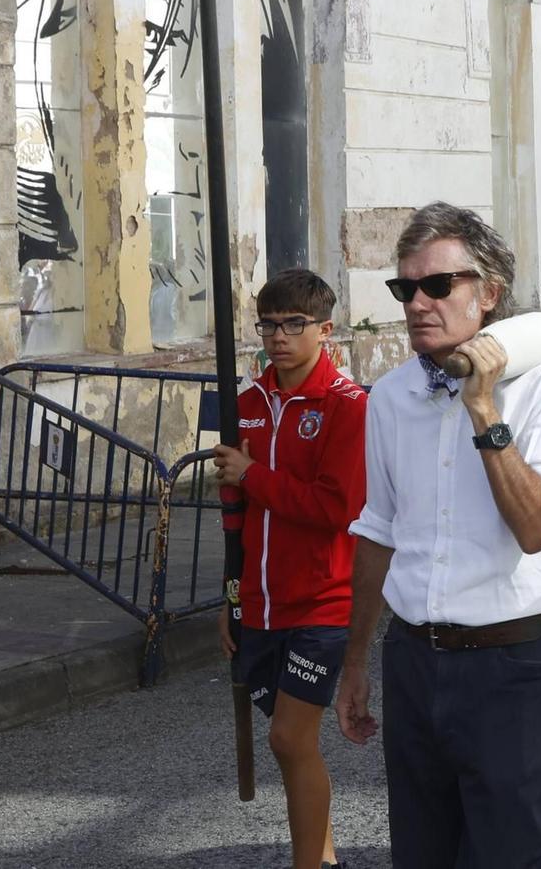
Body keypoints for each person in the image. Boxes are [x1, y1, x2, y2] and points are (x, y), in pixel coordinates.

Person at [336, 204, 541, 868]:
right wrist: (357, 660)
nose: (419, 302)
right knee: (420, 853)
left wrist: (483, 408)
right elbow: (378, 527)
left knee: (507, 853)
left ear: (489, 293)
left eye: (438, 285)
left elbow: (536, 528)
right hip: (414, 659)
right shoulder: (389, 398)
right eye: (405, 288)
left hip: (510, 664)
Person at [210, 268, 368, 869]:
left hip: (324, 604)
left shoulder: (348, 406)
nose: (279, 337)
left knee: (288, 738)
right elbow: (234, 514)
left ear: (324, 329)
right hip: (260, 602)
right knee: (293, 743)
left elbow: (337, 507)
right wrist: (230, 602)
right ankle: (323, 854)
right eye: (269, 325)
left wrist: (254, 475)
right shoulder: (245, 404)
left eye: (293, 325)